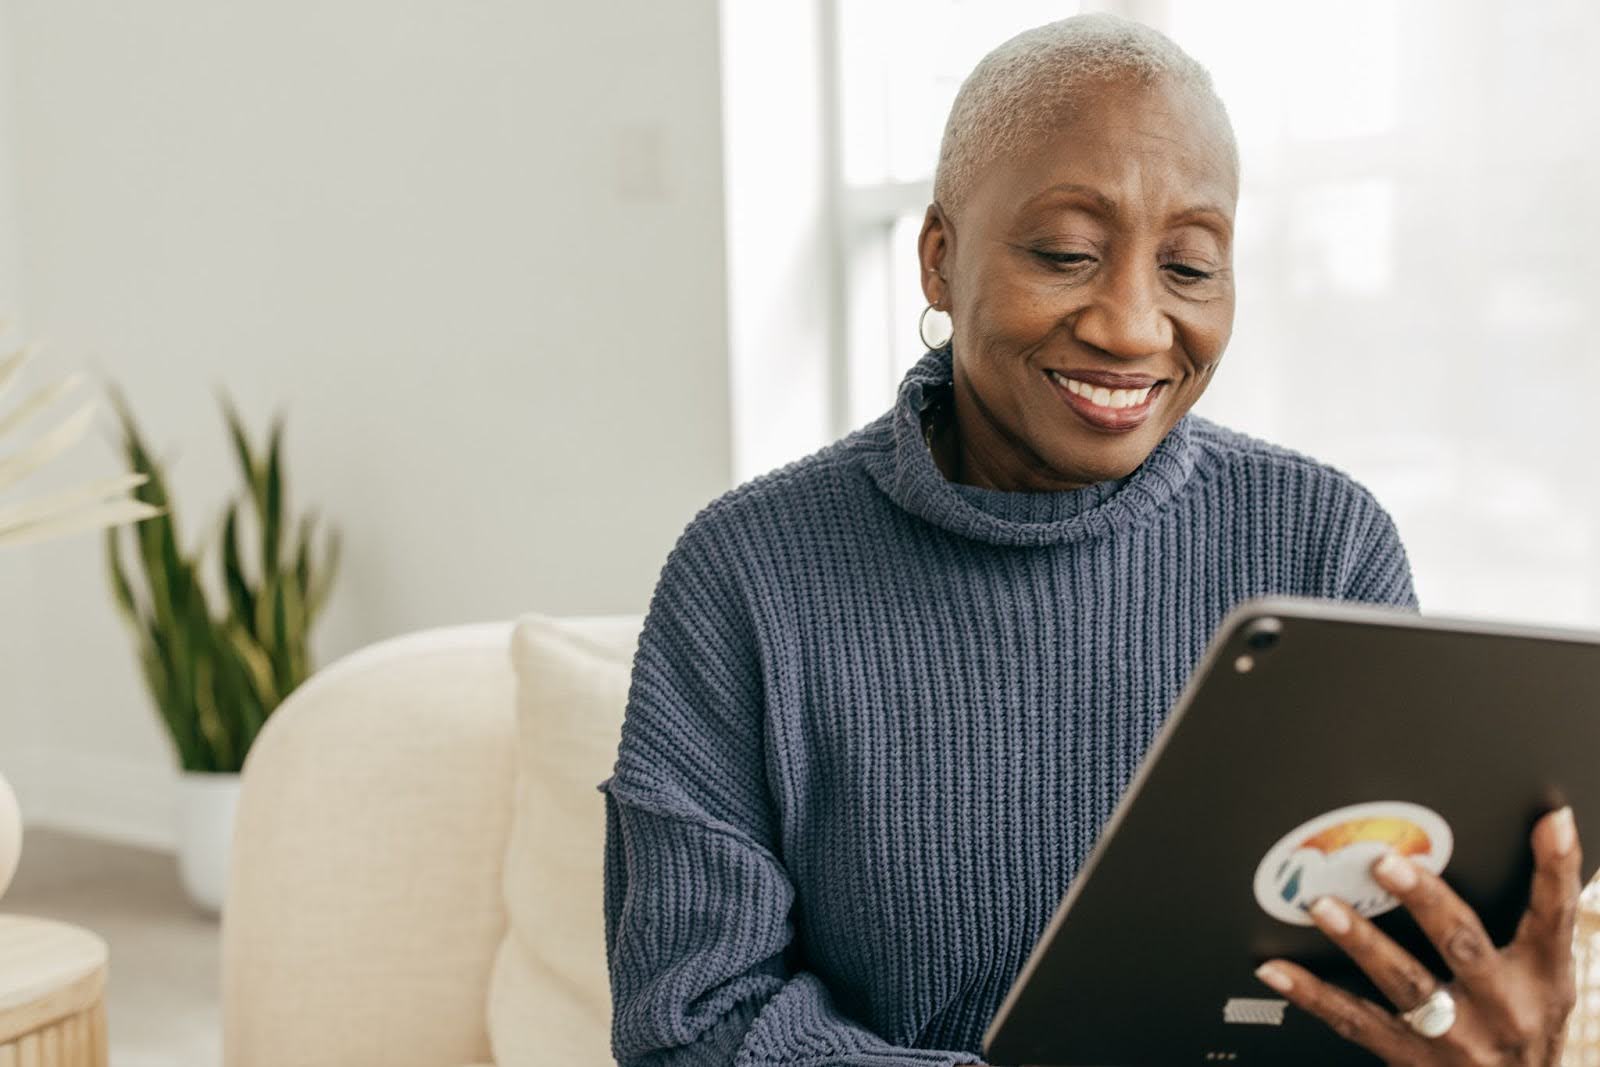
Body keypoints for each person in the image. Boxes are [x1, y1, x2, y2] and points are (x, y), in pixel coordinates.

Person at [600, 14, 1582, 1066]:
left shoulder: (1323, 544)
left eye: (1191, 268)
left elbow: (1389, 964)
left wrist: (1471, 1032)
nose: (1131, 325)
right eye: (1065, 253)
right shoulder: (748, 572)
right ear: (940, 258)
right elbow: (690, 1022)